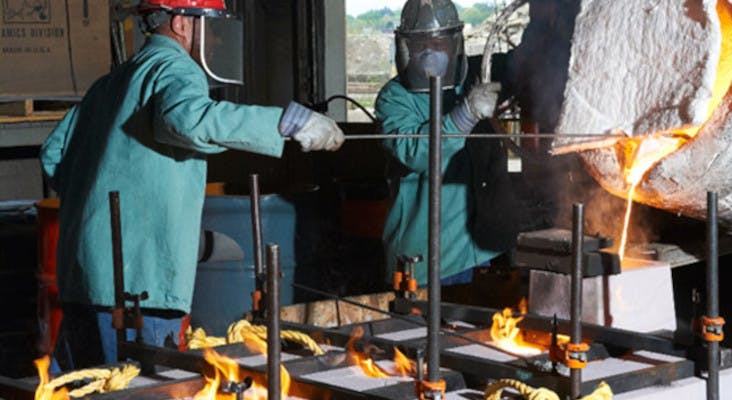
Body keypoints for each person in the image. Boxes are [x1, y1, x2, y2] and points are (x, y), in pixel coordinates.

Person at [40, 0, 343, 370]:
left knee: (75, 390)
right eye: (210, 27)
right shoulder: (174, 68)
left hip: (82, 275)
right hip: (138, 289)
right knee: (139, 391)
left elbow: (54, 154)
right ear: (182, 23)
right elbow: (186, 119)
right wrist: (287, 123)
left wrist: (100, 206)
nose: (215, 41)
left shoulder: (109, 83)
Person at [375, 0, 507, 287]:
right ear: (405, 47)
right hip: (424, 260)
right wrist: (464, 116)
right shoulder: (394, 98)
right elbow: (414, 153)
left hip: (479, 251)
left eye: (438, 43)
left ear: (454, 43)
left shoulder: (471, 80)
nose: (430, 52)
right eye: (420, 44)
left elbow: (522, 66)